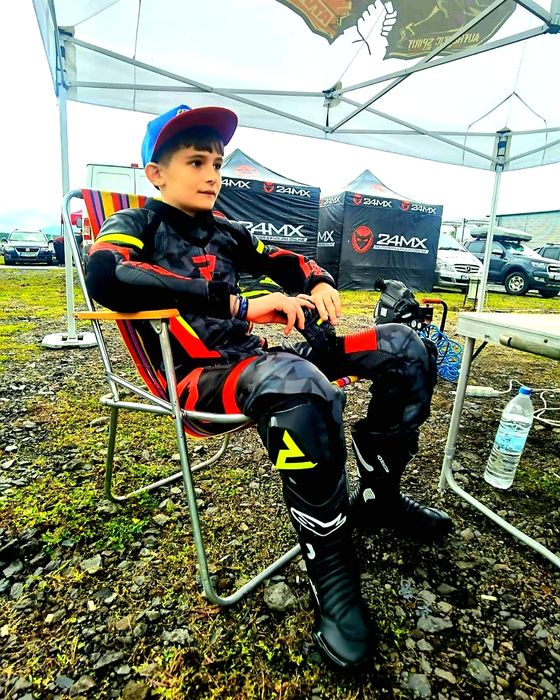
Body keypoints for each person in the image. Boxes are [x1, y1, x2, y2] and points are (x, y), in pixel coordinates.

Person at [85, 104, 453, 669]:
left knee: (406, 346)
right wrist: (239, 305)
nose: (212, 175)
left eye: (217, 163)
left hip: (260, 362)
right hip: (197, 379)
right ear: (156, 173)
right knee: (297, 383)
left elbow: (285, 262)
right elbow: (106, 274)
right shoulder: (136, 223)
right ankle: (331, 573)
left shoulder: (225, 229)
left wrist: (318, 281)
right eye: (196, 162)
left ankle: (379, 498)